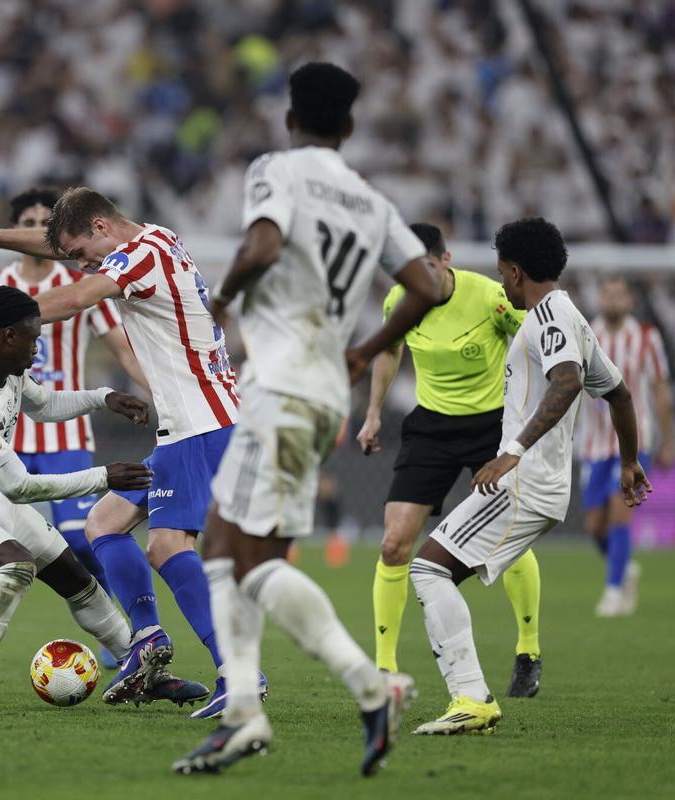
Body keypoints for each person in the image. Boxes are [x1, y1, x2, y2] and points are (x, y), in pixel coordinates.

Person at [172, 62, 440, 777]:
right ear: (349, 127)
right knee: (234, 550)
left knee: (236, 556)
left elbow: (262, 245)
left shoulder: (277, 170)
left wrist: (223, 297)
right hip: (325, 393)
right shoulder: (370, 199)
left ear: (290, 120)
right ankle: (248, 714)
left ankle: (359, 688)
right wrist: (365, 350)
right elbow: (430, 284)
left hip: (280, 387)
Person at [0, 187, 254, 716]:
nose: (80, 265)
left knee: (165, 545)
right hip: (192, 422)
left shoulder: (141, 254)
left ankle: (237, 675)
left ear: (102, 229)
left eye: (82, 254)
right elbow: (61, 249)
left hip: (203, 423)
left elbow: (78, 298)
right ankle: (149, 639)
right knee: (104, 525)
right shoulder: (153, 241)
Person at [410, 217, 650, 735]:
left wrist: (513, 451)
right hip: (541, 485)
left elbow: (565, 383)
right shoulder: (571, 316)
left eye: (502, 274)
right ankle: (473, 696)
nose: (501, 284)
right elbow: (620, 394)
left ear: (517, 272)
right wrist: (630, 460)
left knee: (428, 571)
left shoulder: (548, 317)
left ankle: (471, 700)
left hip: (524, 482)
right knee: (439, 570)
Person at [0, 285, 171, 717]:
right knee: (17, 565)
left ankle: (142, 674)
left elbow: (44, 406)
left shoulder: (9, 375)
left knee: (73, 576)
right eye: (33, 336)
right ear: (6, 337)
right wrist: (103, 476)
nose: (38, 346)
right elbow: (19, 487)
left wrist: (103, 398)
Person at [0, 188, 149, 670]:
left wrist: (150, 391)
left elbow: (122, 347)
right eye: (28, 220)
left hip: (64, 433)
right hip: (2, 433)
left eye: (45, 222)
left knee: (83, 537)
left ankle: (116, 636)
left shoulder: (83, 278)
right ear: (16, 226)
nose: (34, 229)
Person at [357, 223, 543, 697]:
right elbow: (390, 350)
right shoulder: (400, 300)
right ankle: (383, 669)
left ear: (446, 260)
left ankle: (528, 650)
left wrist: (528, 422)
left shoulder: (489, 298)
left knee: (508, 542)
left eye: (426, 268)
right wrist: (373, 412)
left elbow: (537, 350)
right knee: (394, 545)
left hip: (492, 426)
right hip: (432, 429)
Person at [579, 275, 673, 616]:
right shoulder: (587, 333)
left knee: (620, 512)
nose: (613, 301)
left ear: (630, 301)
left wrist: (668, 439)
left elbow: (660, 389)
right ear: (600, 299)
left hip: (634, 441)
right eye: (607, 294)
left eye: (619, 295)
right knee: (594, 525)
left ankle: (614, 590)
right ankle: (624, 568)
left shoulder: (647, 338)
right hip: (592, 444)